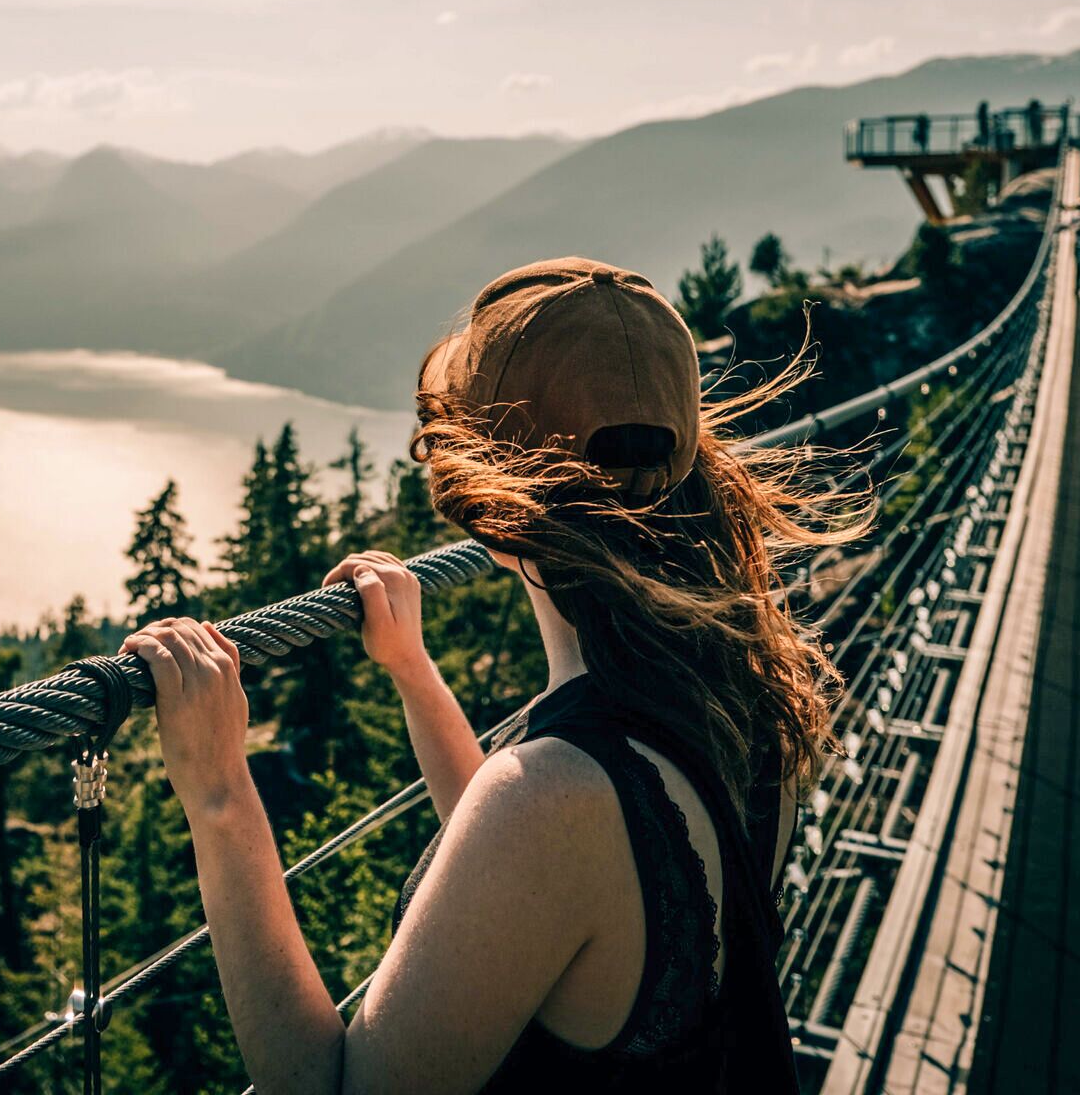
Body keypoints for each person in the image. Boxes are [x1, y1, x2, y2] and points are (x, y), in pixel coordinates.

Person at [125, 259, 859, 1095]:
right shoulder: (740, 700)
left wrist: (217, 790)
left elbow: (330, 1089)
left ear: (490, 506)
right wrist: (413, 672)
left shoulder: (554, 798)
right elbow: (550, 891)